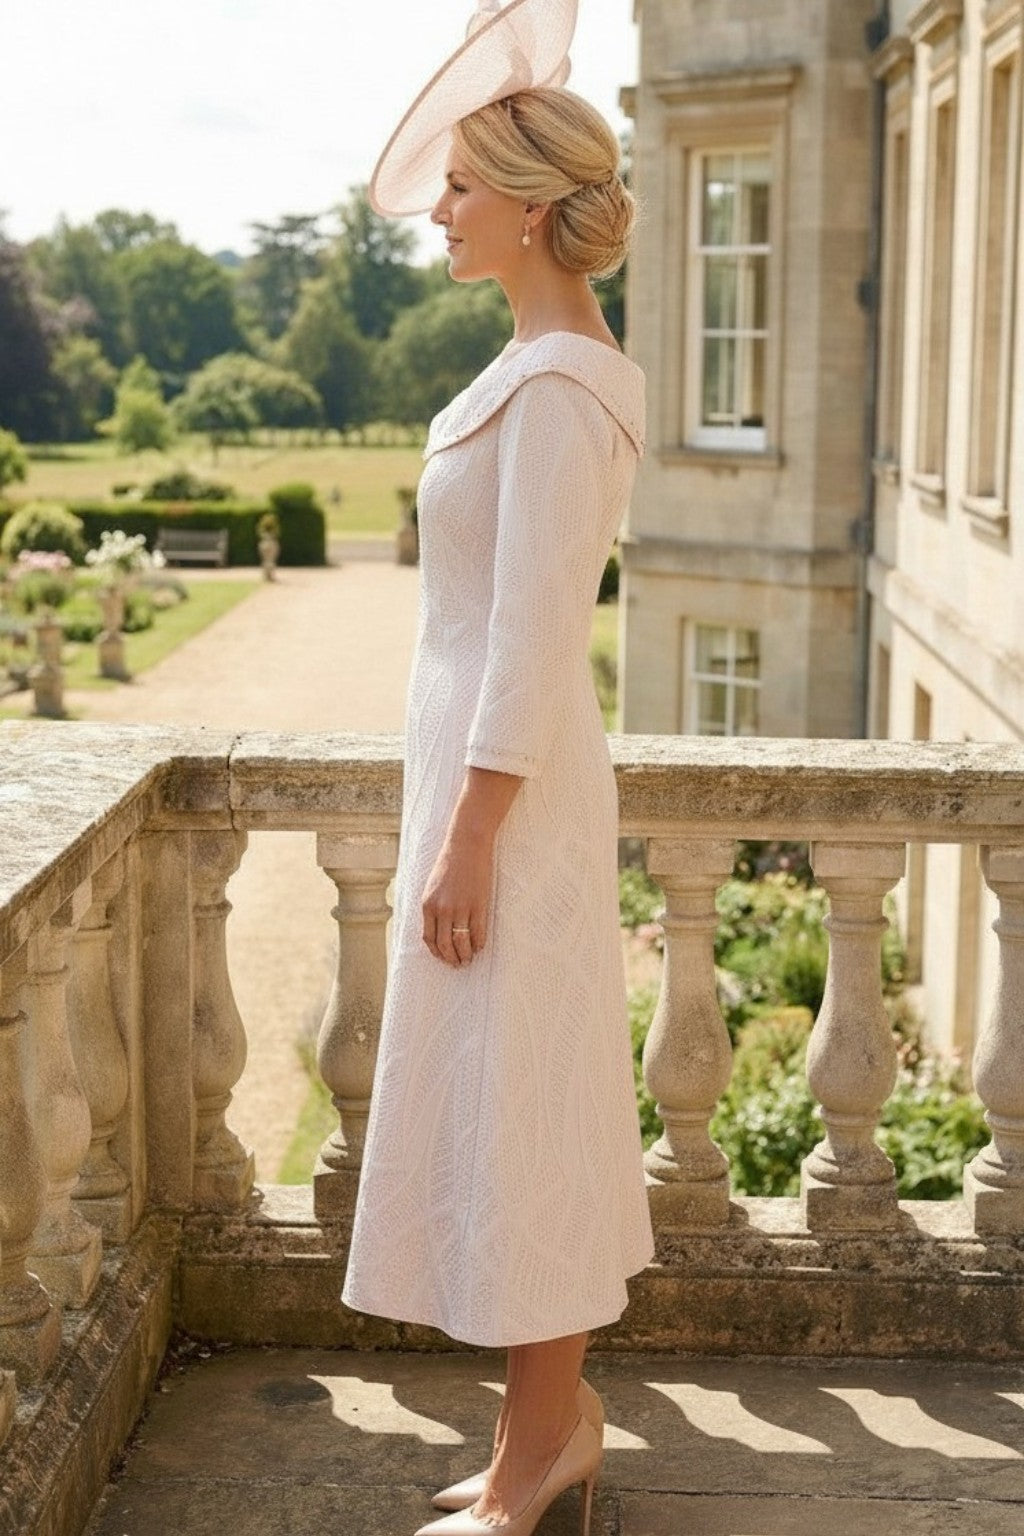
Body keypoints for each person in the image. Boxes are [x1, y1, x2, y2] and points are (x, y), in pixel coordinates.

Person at [340, 3, 655, 1531]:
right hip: (486, 795)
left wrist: (468, 840)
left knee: (527, 1103)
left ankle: (540, 1459)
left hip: (505, 809)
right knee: (502, 1106)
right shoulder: (548, 366)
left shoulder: (561, 388)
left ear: (532, 207)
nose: (441, 211)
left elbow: (535, 639)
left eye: (463, 187)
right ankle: (555, 1424)